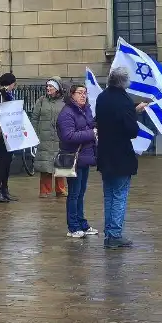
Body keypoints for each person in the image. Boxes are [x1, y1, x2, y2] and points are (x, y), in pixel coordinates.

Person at [95, 67, 149, 249]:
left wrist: (133, 110)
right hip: (120, 154)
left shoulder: (102, 97)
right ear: (124, 82)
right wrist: (134, 114)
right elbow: (131, 131)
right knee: (119, 195)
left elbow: (110, 117)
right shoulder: (124, 100)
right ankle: (115, 234)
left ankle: (109, 234)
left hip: (104, 153)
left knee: (109, 195)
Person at [57, 84, 99, 238]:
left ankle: (82, 223)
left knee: (81, 192)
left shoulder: (86, 109)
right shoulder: (66, 113)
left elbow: (91, 125)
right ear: (72, 95)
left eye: (85, 93)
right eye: (80, 93)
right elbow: (68, 136)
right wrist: (91, 133)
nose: (83, 95)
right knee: (74, 193)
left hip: (85, 157)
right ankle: (73, 227)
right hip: (71, 157)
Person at [31, 77, 67, 198]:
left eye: (51, 86)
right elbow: (35, 118)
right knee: (45, 165)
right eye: (47, 86)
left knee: (60, 164)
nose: (48, 88)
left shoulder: (65, 101)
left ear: (57, 89)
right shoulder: (41, 100)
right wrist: (34, 134)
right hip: (44, 137)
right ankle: (45, 191)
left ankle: (60, 189)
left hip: (60, 137)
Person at [0, 72, 19, 203]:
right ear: (10, 83)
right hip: (0, 133)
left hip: (8, 132)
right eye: (14, 84)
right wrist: (3, 112)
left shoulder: (6, 94)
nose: (14, 87)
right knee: (2, 162)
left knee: (7, 162)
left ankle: (5, 191)